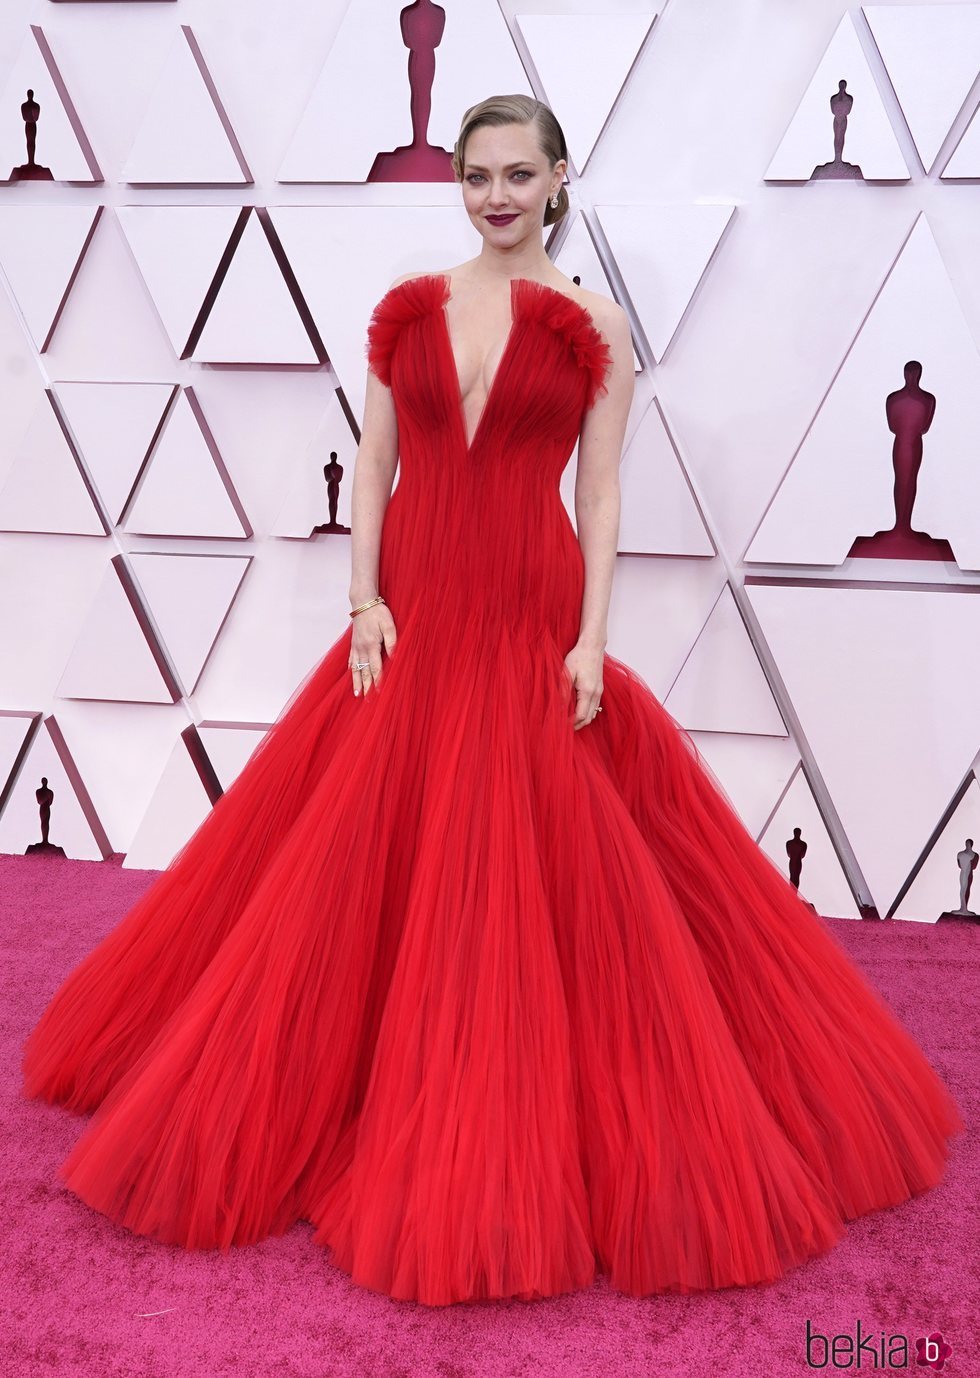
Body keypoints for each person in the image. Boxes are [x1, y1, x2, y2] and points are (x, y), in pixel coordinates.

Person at [21, 94, 963, 1308]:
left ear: (560, 177)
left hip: (525, 607)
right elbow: (373, 463)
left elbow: (603, 493)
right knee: (356, 862)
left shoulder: (595, 324)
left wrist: (588, 643)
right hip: (412, 608)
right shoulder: (411, 307)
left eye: (519, 173)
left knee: (526, 867)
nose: (496, 195)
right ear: (457, 183)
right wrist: (362, 600)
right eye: (476, 175)